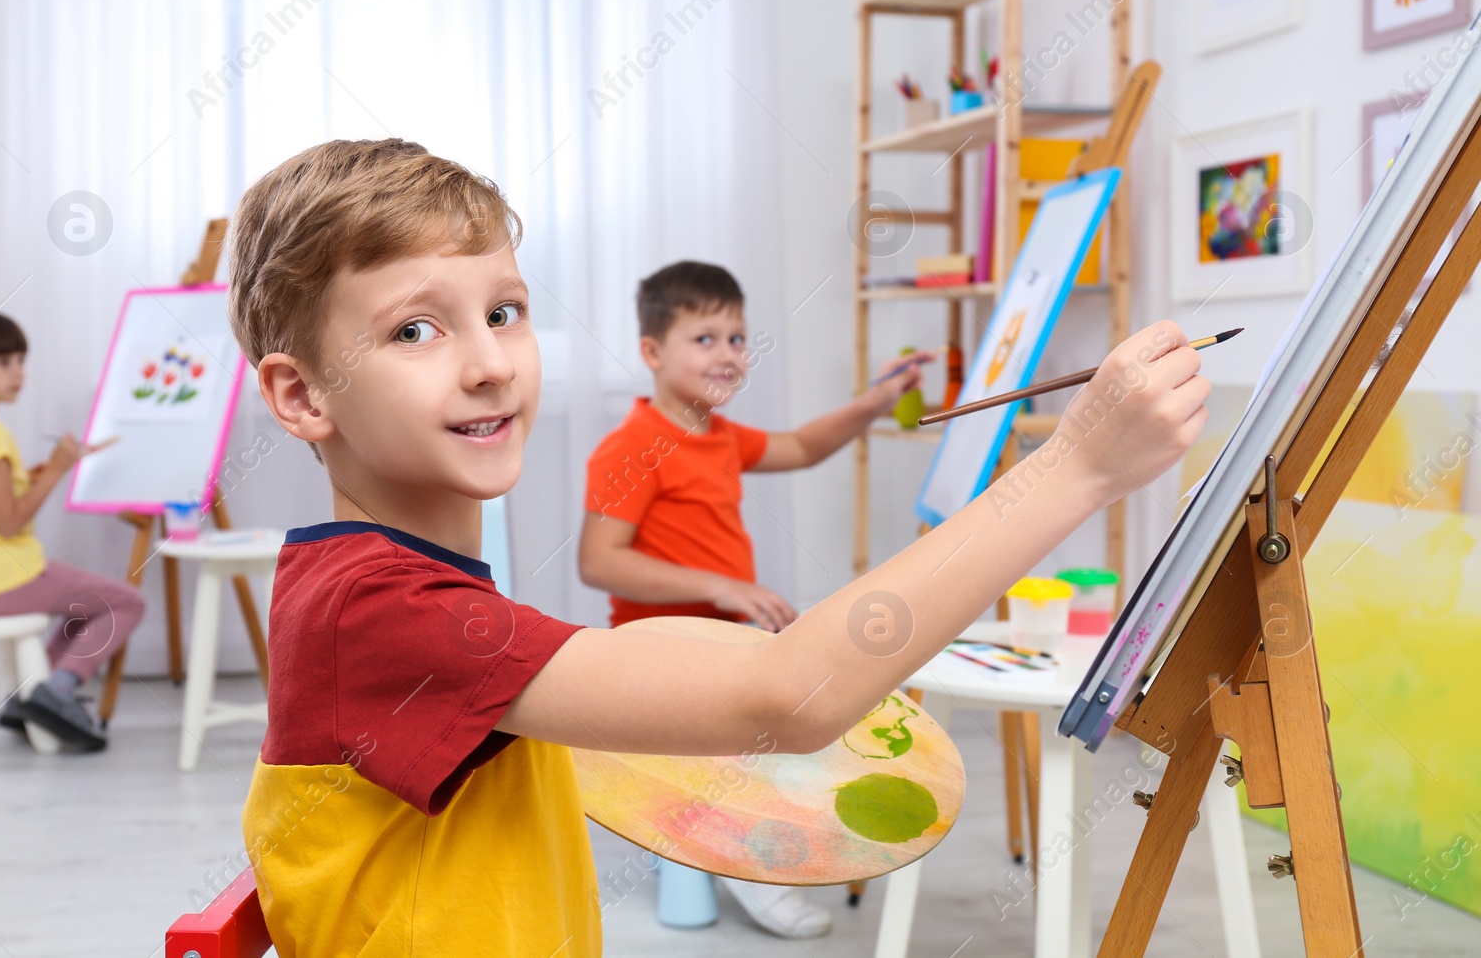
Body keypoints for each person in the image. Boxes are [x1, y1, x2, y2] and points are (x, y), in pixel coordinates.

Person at [227, 138, 1209, 957]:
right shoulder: (378, 609)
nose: (489, 362)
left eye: (503, 311)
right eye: (414, 329)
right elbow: (783, 698)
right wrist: (1078, 464)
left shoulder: (386, 578)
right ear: (303, 395)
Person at [577, 259, 928, 937]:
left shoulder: (717, 434)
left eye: (737, 338)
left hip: (721, 640)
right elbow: (599, 561)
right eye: (705, 338)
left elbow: (799, 446)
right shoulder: (631, 447)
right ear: (652, 352)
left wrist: (876, 402)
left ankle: (705, 855)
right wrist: (723, 584)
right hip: (665, 651)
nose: (729, 354)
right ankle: (756, 871)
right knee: (768, 746)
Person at [0, 307, 147, 751]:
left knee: (88, 605)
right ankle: (54, 691)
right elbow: (9, 521)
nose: (18, 373)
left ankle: (34, 695)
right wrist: (57, 470)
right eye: (4, 362)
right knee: (124, 603)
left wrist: (40, 472)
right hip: (4, 578)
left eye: (21, 360)